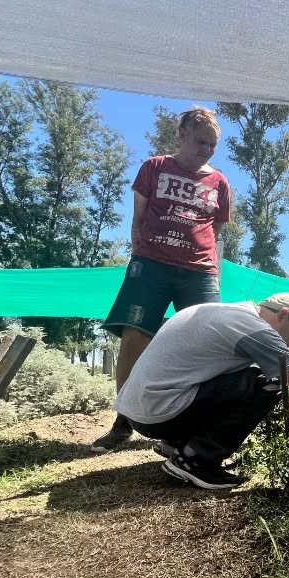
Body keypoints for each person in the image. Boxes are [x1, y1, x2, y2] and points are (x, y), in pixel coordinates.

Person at [116, 293, 289, 489]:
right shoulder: (255, 328)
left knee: (249, 373)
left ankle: (176, 444)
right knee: (271, 379)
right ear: (283, 314)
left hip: (142, 411)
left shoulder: (224, 311)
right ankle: (196, 459)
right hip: (161, 413)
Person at [92, 107, 231, 453]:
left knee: (204, 342)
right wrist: (142, 253)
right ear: (182, 134)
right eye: (201, 142)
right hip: (151, 264)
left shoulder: (220, 183)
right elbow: (138, 217)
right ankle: (124, 421)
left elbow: (215, 229)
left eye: (212, 145)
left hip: (199, 271)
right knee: (135, 336)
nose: (206, 150)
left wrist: (198, 255)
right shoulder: (154, 167)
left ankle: (191, 424)